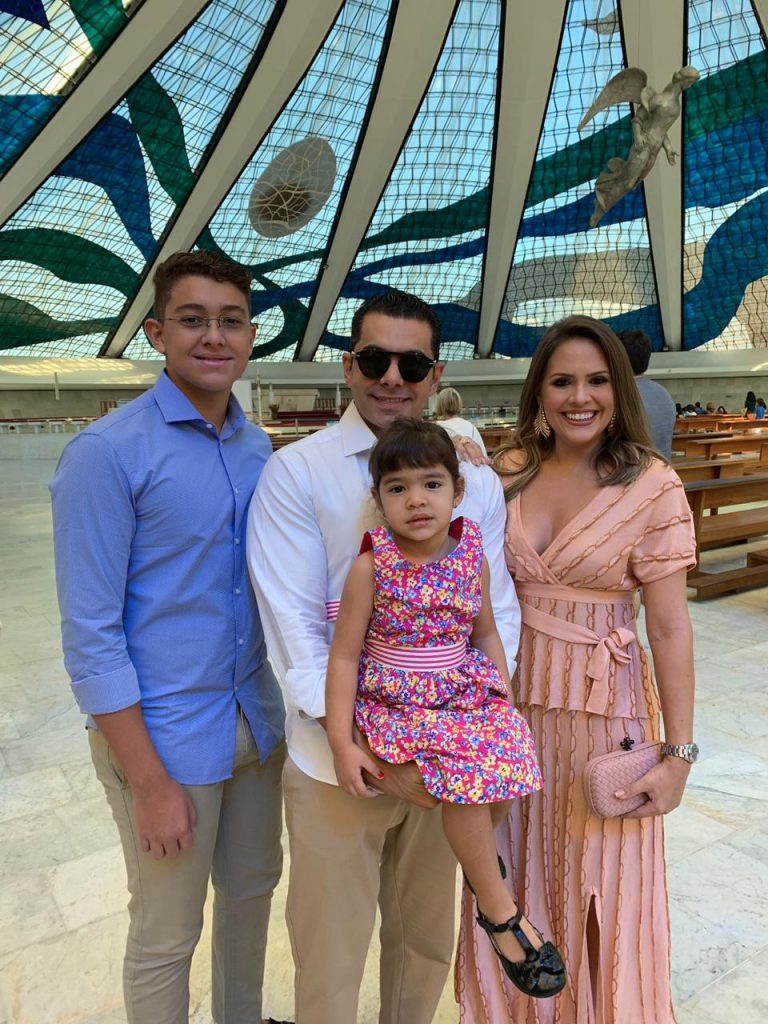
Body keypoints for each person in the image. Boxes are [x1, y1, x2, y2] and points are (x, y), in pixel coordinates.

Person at [247, 291, 521, 1024]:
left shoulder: (475, 482)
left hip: (447, 760)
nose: (392, 377)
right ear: (349, 366)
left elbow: (495, 614)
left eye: (412, 364)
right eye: (375, 360)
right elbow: (297, 631)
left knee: (424, 944)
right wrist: (364, 746)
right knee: (330, 953)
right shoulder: (297, 473)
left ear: (436, 375)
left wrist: (478, 724)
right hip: (340, 761)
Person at [50, 251, 288, 1024]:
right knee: (166, 931)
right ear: (157, 333)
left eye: (230, 321)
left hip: (254, 725)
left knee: (250, 899)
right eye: (193, 320)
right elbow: (91, 637)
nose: (213, 337)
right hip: (164, 739)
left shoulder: (256, 450)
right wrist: (149, 783)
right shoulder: (107, 454)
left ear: (250, 335)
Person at [458, 315, 698, 1024]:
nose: (579, 396)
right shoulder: (505, 473)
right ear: (539, 391)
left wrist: (679, 755)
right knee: (513, 877)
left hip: (604, 714)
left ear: (619, 390)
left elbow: (669, 628)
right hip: (509, 711)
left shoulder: (652, 484)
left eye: (596, 380)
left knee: (605, 888)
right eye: (562, 381)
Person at [326, 417, 565, 1000]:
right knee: (467, 786)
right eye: (398, 488)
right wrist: (341, 741)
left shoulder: (469, 555)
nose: (416, 500)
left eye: (431, 484)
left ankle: (483, 872)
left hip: (461, 688)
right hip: (401, 702)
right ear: (379, 499)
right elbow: (344, 656)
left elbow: (483, 631)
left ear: (457, 492)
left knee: (510, 771)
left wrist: (501, 695)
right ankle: (501, 914)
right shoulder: (372, 565)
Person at [617, 329, 676, 458]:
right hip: (662, 467)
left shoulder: (619, 395)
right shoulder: (663, 392)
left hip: (632, 469)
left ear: (616, 358)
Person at [433, 385, 487, 454]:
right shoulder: (471, 427)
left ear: (439, 405)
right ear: (459, 403)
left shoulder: (436, 428)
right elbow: (483, 453)